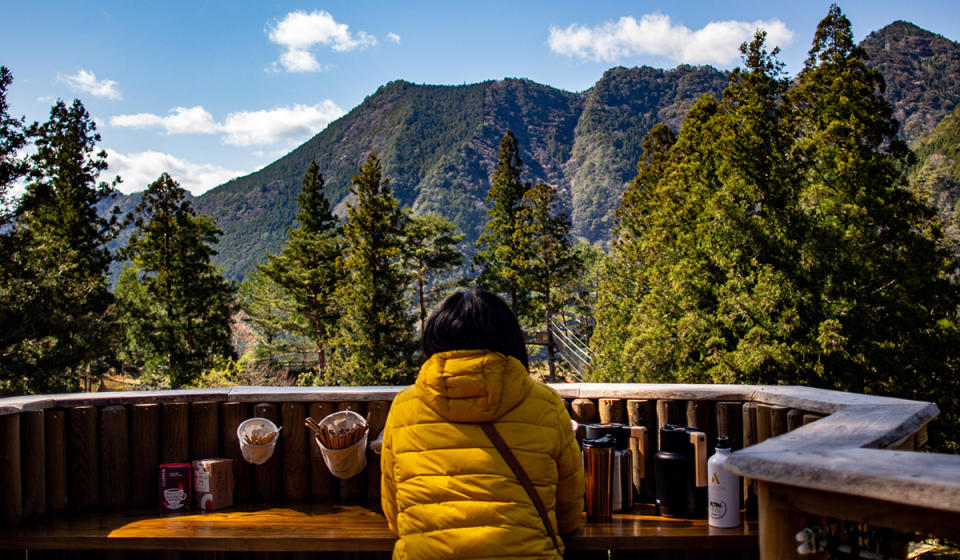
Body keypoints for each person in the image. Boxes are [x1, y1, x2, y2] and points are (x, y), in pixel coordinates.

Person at [380, 288, 584, 560]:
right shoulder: (546, 405)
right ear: (511, 341)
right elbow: (569, 517)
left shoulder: (405, 408)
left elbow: (395, 517)